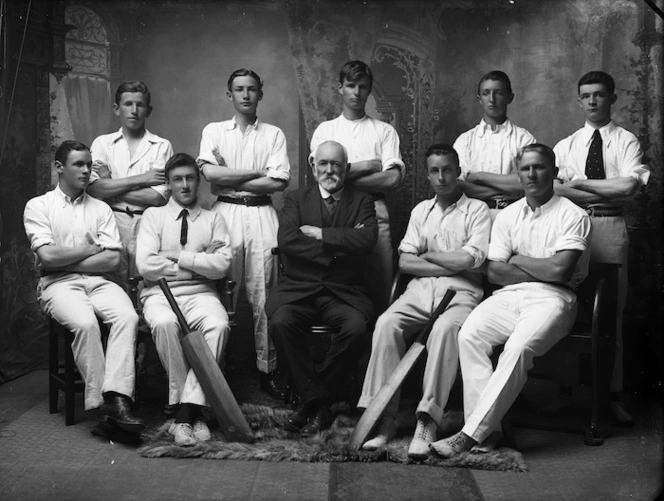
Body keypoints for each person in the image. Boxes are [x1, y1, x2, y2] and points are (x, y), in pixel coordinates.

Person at [431, 144, 591, 458]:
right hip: (508, 297)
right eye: (526, 168)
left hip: (555, 300)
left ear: (554, 173)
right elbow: (495, 272)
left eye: (540, 167)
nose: (532, 174)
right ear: (518, 175)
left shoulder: (574, 214)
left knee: (517, 348)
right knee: (469, 335)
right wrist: (540, 265)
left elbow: (561, 272)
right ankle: (490, 431)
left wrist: (519, 259)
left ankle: (469, 433)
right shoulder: (508, 215)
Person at [358, 144, 491, 458]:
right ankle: (384, 420)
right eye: (435, 170)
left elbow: (470, 261)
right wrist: (446, 261)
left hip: (461, 291)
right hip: (419, 291)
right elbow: (406, 262)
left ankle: (427, 421)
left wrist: (430, 256)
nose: (442, 177)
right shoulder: (421, 211)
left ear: (458, 171)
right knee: (387, 323)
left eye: (447, 169)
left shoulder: (477, 210)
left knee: (446, 329)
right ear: (428, 175)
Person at [23, 140, 143, 436]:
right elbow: (47, 256)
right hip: (56, 284)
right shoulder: (39, 206)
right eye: (79, 164)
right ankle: (107, 404)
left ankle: (117, 398)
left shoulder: (101, 208)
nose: (87, 170)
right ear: (59, 168)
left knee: (128, 317)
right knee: (86, 322)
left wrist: (65, 257)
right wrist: (91, 250)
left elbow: (113, 259)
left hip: (99, 283)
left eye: (90, 164)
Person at [552, 71, 650, 424]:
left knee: (611, 312)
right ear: (579, 100)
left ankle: (611, 395)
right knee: (564, 305)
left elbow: (627, 189)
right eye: (586, 96)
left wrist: (579, 184)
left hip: (610, 226)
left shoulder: (626, 141)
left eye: (599, 95)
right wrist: (598, 187)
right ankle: (563, 392)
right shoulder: (566, 145)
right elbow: (556, 190)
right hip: (571, 226)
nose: (592, 101)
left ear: (612, 98)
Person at [267, 141, 377, 436]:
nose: (330, 170)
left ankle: (311, 401)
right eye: (324, 164)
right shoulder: (296, 198)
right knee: (281, 323)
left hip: (343, 291)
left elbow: (366, 241)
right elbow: (288, 240)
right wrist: (339, 246)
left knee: (355, 329)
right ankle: (320, 402)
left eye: (337, 165)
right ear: (313, 167)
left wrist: (319, 234)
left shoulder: (362, 201)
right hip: (299, 289)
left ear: (347, 168)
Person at [197, 69, 290, 399]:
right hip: (224, 213)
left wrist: (230, 176)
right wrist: (255, 172)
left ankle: (269, 368)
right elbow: (209, 174)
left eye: (252, 89)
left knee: (264, 291)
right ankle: (215, 368)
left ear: (260, 94)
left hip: (263, 214)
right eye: (239, 89)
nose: (246, 95)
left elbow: (278, 182)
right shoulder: (214, 131)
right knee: (219, 287)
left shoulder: (273, 134)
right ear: (230, 95)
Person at [136, 153, 232, 446]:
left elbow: (222, 265)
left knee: (219, 325)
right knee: (164, 323)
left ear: (198, 181)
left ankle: (184, 413)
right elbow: (145, 266)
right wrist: (199, 262)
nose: (185, 185)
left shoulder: (213, 218)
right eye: (177, 179)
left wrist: (177, 256)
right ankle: (193, 412)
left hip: (203, 295)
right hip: (160, 295)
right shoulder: (153, 216)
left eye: (190, 178)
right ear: (168, 183)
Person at [310, 60, 405, 314]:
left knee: (379, 281)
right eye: (350, 85)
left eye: (363, 87)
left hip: (375, 209)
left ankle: (377, 347)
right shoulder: (325, 130)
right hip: (334, 210)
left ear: (369, 90)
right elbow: (320, 178)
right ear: (339, 88)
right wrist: (366, 166)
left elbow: (391, 179)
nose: (356, 92)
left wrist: (340, 176)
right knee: (335, 278)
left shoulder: (384, 131)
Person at [87, 81, 173, 288]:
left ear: (148, 110)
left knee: (146, 286)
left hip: (147, 223)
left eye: (140, 105)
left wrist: (111, 184)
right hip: (110, 221)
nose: (134, 111)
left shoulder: (161, 146)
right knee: (110, 286)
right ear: (117, 109)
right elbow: (95, 189)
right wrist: (142, 179)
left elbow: (156, 198)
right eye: (127, 104)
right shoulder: (102, 143)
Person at [453, 70, 536, 216]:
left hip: (513, 214)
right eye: (486, 93)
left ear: (510, 97)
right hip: (472, 215)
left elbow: (529, 182)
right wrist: (508, 187)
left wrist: (478, 177)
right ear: (479, 99)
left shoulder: (524, 139)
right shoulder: (465, 141)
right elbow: (458, 186)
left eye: (498, 93)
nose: (492, 99)